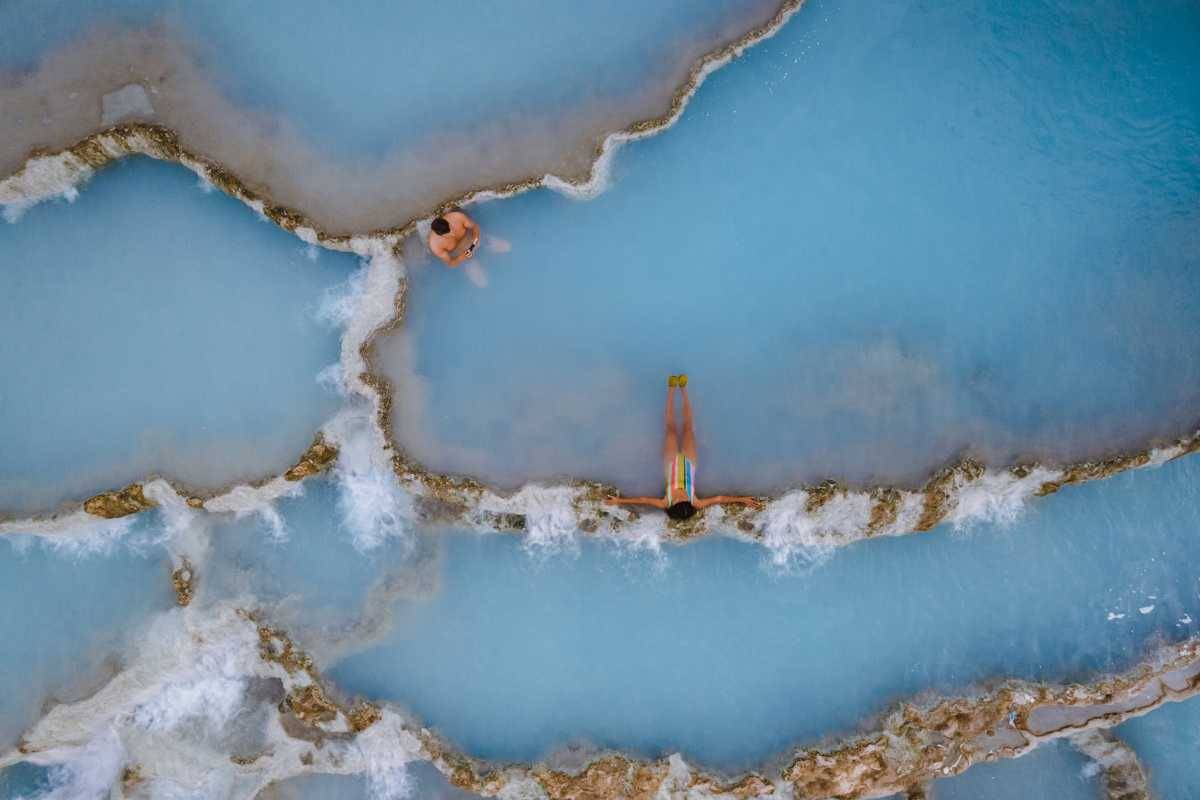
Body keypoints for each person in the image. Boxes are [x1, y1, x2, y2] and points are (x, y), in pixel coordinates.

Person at [605, 375, 762, 519]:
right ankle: (684, 390)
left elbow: (643, 500)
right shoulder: (696, 502)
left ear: (673, 505)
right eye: (684, 500)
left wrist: (619, 500)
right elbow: (719, 499)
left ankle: (671, 389)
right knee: (688, 427)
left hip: (671, 462)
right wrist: (742, 499)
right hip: (689, 462)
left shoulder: (665, 502)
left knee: (670, 428)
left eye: (679, 500)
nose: (681, 497)